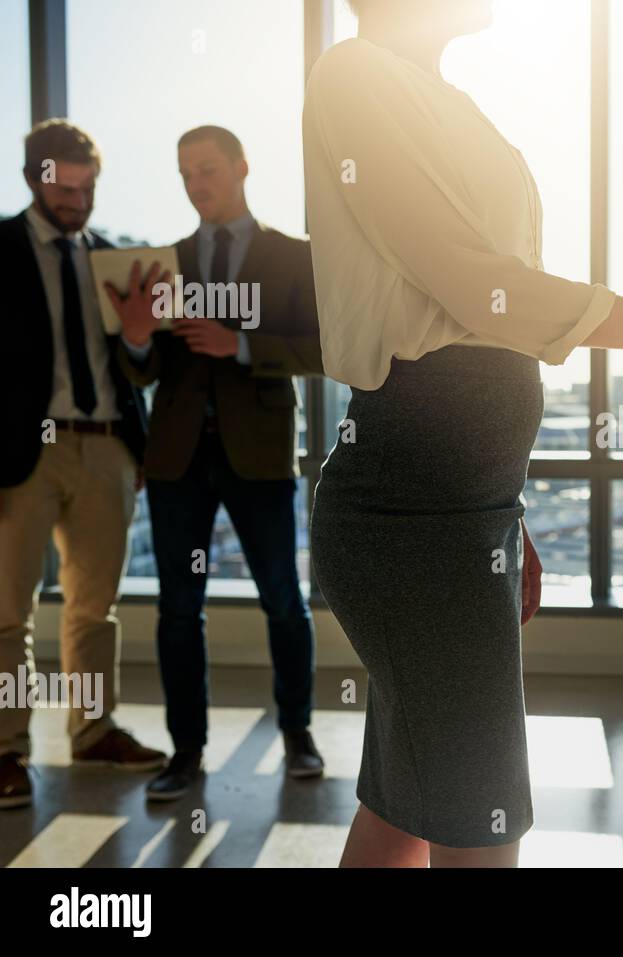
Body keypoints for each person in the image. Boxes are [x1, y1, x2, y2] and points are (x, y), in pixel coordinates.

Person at [304, 0, 623, 867]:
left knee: (408, 804)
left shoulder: (446, 101)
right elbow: (483, 289)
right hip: (409, 507)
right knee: (481, 818)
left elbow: (495, 319)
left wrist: (504, 512)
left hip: (460, 504)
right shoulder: (354, 76)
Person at [107, 126, 328, 801]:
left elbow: (323, 347)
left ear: (241, 168)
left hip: (257, 455)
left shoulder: (293, 256)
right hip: (176, 459)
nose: (195, 183)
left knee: (283, 603)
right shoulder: (161, 261)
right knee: (178, 611)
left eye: (206, 169)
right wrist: (139, 337)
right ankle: (186, 752)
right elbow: (138, 372)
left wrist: (240, 344)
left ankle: (297, 731)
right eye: (184, 173)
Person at [0, 120, 167, 810]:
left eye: (87, 187)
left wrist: (137, 335)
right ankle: (6, 748)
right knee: (6, 611)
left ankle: (92, 729)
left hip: (105, 444)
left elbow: (144, 367)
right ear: (34, 179)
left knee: (94, 607)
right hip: (20, 451)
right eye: (65, 188)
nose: (77, 201)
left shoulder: (114, 259)